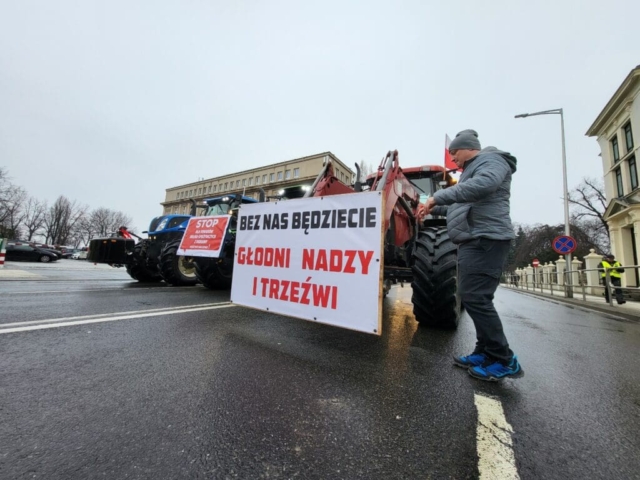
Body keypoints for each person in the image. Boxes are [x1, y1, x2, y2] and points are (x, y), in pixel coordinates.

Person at [418, 129, 522, 382]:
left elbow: (485, 186)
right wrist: (431, 208)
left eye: (455, 152)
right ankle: (484, 352)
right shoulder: (471, 170)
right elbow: (459, 206)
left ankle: (504, 359)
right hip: (473, 239)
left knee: (477, 298)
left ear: (469, 148)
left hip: (485, 239)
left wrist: (436, 197)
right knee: (473, 297)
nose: (452, 157)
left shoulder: (491, 160)